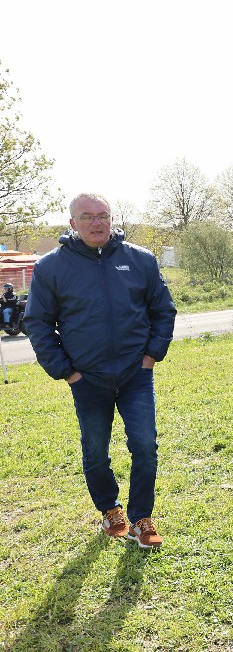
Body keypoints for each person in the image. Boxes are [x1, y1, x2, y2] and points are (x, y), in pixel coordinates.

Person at [24, 193, 176, 549]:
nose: (97, 222)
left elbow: (163, 310)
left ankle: (141, 519)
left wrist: (151, 356)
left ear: (111, 218)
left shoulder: (140, 259)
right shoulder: (51, 267)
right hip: (87, 378)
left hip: (135, 374)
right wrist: (66, 371)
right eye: (87, 216)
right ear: (72, 223)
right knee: (95, 452)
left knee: (145, 446)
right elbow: (38, 323)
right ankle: (110, 510)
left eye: (103, 215)